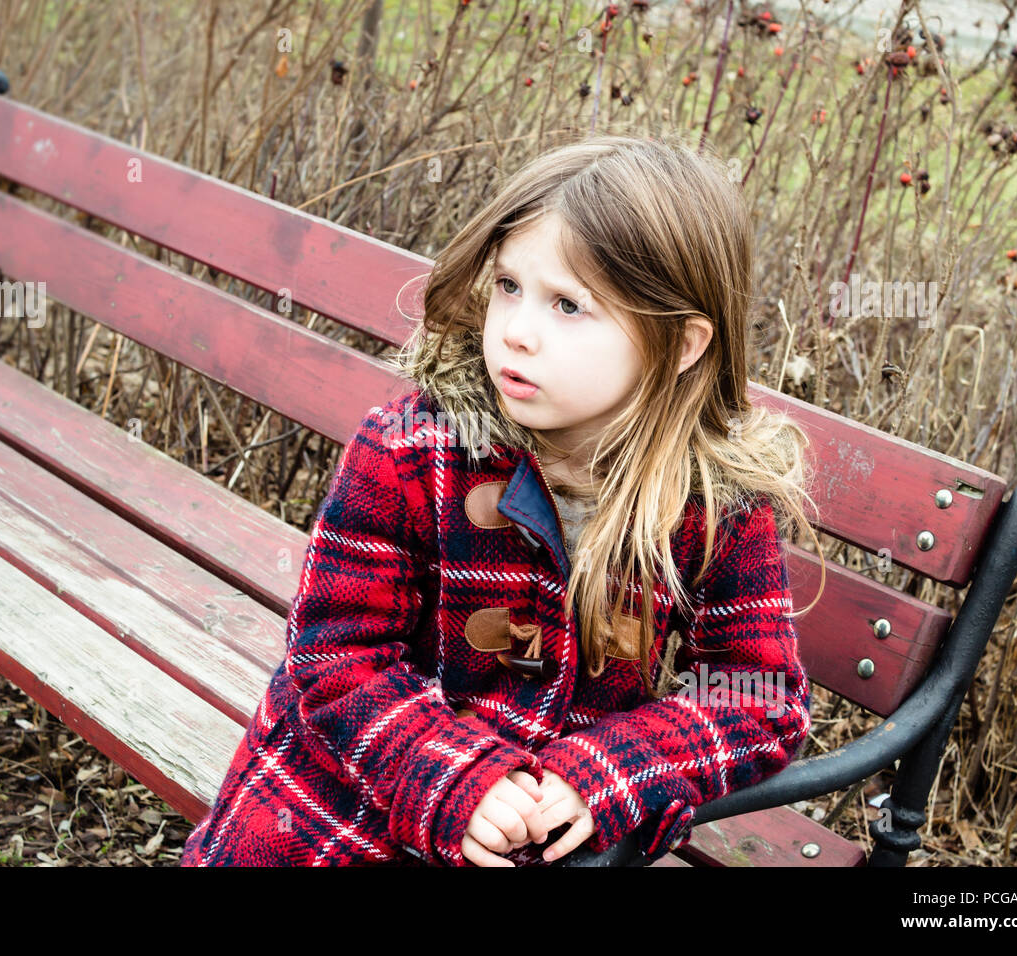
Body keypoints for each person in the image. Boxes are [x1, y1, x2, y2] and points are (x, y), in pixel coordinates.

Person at [180, 131, 826, 868]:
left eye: (568, 306)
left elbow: (756, 695)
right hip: (351, 795)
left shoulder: (713, 504)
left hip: (542, 831)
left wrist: (612, 771)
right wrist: (452, 777)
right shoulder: (412, 452)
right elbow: (334, 657)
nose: (516, 331)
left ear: (681, 344)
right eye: (509, 287)